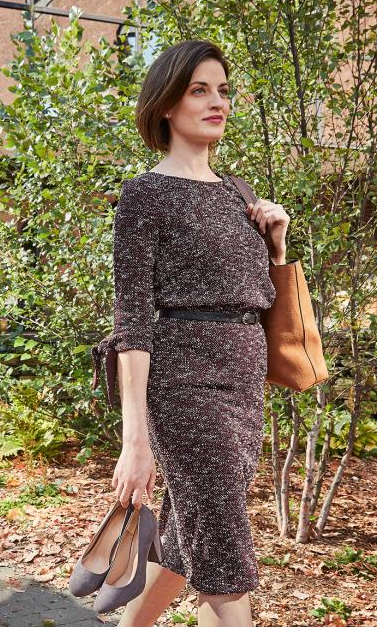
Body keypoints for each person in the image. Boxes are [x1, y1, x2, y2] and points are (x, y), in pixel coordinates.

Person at [95, 39, 290, 627]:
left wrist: (276, 243)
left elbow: (260, 300)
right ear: (166, 105)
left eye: (223, 90)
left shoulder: (241, 194)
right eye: (199, 89)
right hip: (183, 382)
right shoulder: (145, 194)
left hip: (243, 378)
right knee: (223, 538)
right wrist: (136, 442)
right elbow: (132, 320)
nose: (217, 102)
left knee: (195, 529)